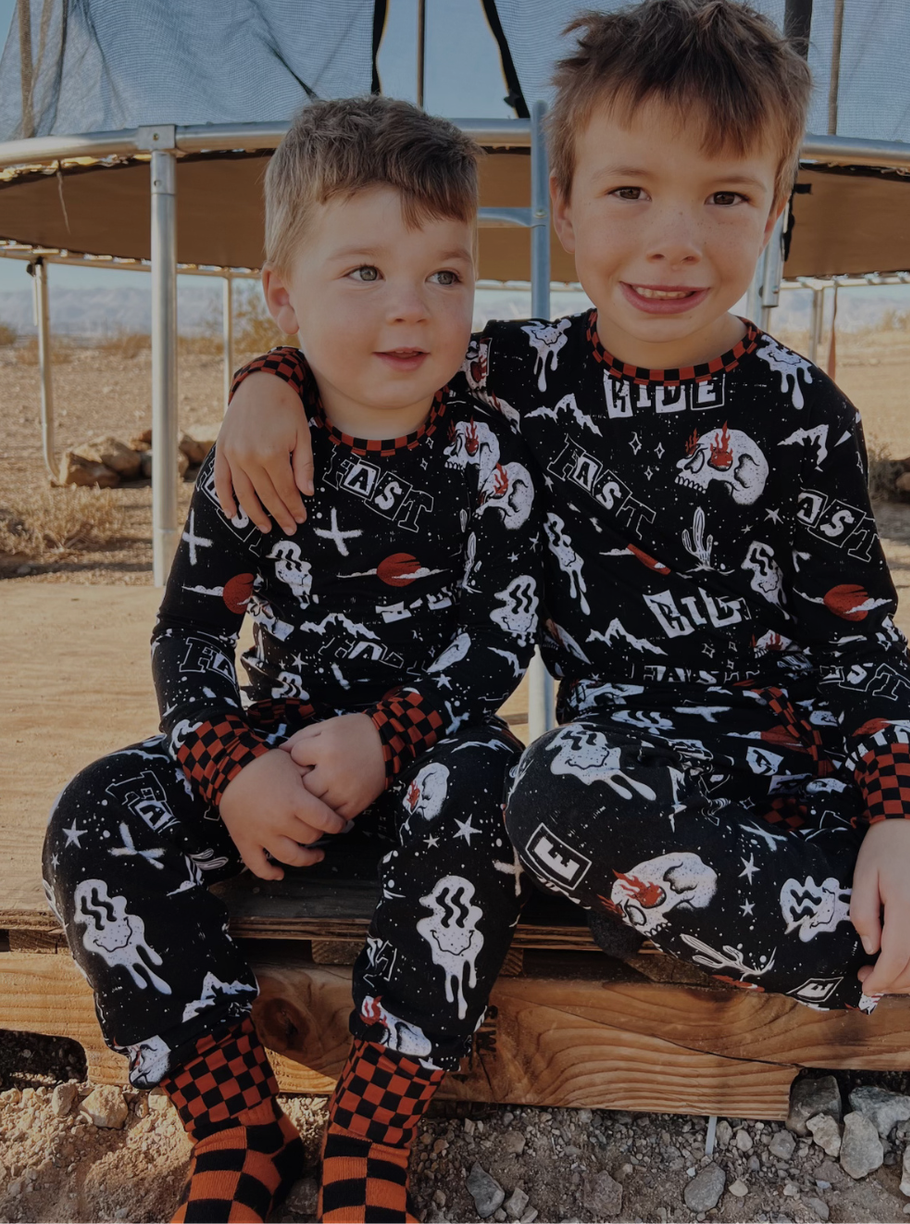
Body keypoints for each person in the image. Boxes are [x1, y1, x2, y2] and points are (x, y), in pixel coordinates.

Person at [211, 0, 910, 1020]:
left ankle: (761, 902)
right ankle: (854, 921)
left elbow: (858, 641)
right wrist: (267, 377)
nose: (674, 241)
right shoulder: (506, 376)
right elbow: (363, 352)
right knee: (548, 797)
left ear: (772, 212)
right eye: (630, 190)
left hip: (817, 746)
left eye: (725, 197)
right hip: (640, 766)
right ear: (566, 206)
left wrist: (907, 821)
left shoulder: (805, 411)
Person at [44, 96, 541, 1224]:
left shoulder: (490, 448)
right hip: (276, 756)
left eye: (446, 274)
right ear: (283, 295)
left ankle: (375, 1121)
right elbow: (188, 632)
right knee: (92, 816)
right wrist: (230, 768)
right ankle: (235, 1120)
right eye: (362, 271)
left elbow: (499, 633)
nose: (410, 306)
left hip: (430, 752)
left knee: (495, 793)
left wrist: (390, 736)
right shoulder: (261, 449)